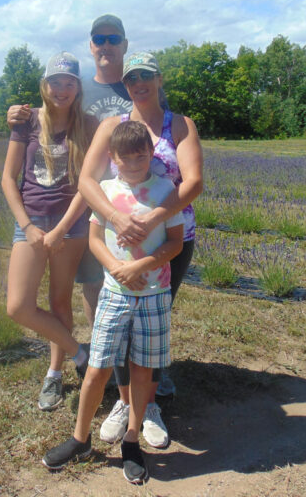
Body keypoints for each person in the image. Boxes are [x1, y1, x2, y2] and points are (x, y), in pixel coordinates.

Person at [42, 121, 184, 484]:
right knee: (98, 368)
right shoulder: (105, 190)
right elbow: (94, 241)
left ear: (151, 155)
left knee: (142, 369)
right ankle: (80, 439)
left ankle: (132, 441)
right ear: (113, 158)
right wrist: (118, 269)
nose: (135, 162)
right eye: (126, 157)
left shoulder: (167, 191)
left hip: (153, 296)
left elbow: (175, 243)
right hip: (114, 294)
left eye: (142, 155)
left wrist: (142, 265)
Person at [77, 51, 203, 448]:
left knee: (150, 322)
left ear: (159, 78)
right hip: (117, 241)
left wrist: (151, 219)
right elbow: (87, 179)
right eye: (132, 78)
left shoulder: (180, 125)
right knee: (117, 327)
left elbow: (194, 182)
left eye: (146, 76)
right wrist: (116, 219)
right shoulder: (113, 125)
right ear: (125, 84)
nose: (139, 84)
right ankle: (123, 401)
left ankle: (147, 407)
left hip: (170, 241)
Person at [1, 52, 98, 411]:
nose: (62, 89)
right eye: (55, 82)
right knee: (18, 306)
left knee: (60, 302)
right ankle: (80, 353)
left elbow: (87, 184)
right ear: (45, 86)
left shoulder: (88, 125)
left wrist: (60, 230)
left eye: (69, 83)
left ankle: (54, 375)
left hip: (69, 226)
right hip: (29, 223)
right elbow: (8, 179)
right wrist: (26, 226)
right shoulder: (25, 122)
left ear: (78, 87)